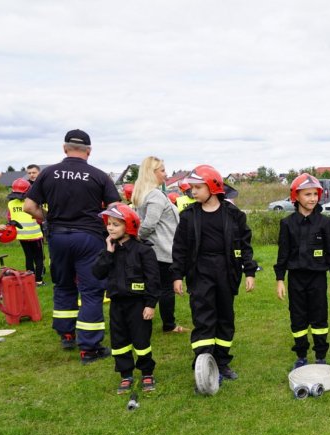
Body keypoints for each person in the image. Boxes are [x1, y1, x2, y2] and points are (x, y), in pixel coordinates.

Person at [24, 130, 120, 362]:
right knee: (91, 290)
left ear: (64, 148)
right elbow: (115, 209)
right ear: (89, 151)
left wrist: (49, 219)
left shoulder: (48, 173)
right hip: (88, 237)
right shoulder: (99, 176)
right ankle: (89, 347)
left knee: (63, 285)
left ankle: (66, 334)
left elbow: (28, 207)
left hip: (58, 237)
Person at [170, 165, 257, 383]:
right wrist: (177, 275)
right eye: (191, 188)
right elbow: (179, 248)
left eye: (198, 187)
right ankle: (204, 361)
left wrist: (249, 271)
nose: (193, 192)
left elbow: (245, 245)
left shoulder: (234, 215)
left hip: (226, 271)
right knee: (203, 316)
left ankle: (222, 362)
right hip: (199, 271)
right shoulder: (189, 216)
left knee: (225, 316)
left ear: (213, 187)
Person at [275, 173, 330, 369]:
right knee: (298, 318)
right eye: (307, 194)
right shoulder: (287, 223)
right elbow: (283, 254)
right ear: (296, 196)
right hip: (296, 279)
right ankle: (301, 355)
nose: (312, 198)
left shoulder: (325, 222)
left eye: (315, 194)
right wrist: (280, 279)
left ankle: (320, 356)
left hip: (317, 278)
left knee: (319, 317)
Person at [92, 203, 160, 394]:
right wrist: (108, 253)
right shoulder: (109, 250)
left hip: (138, 304)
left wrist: (150, 304)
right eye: (109, 224)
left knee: (141, 340)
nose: (110, 228)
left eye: (115, 224)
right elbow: (97, 273)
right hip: (117, 304)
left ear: (129, 226)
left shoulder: (143, 251)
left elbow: (153, 280)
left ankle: (147, 372)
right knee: (119, 341)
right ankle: (125, 374)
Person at [131, 156, 185, 334]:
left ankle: (141, 320)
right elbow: (148, 225)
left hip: (153, 249)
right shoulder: (154, 195)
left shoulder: (143, 194)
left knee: (151, 287)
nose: (166, 174)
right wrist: (137, 240)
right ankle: (169, 325)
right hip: (161, 250)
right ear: (151, 173)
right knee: (166, 288)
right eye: (162, 170)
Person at [6, 179, 45, 285]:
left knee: (29, 257)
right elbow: (40, 218)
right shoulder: (32, 203)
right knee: (39, 258)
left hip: (21, 236)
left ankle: (30, 279)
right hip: (35, 235)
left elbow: (9, 218)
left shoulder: (11, 203)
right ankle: (39, 280)